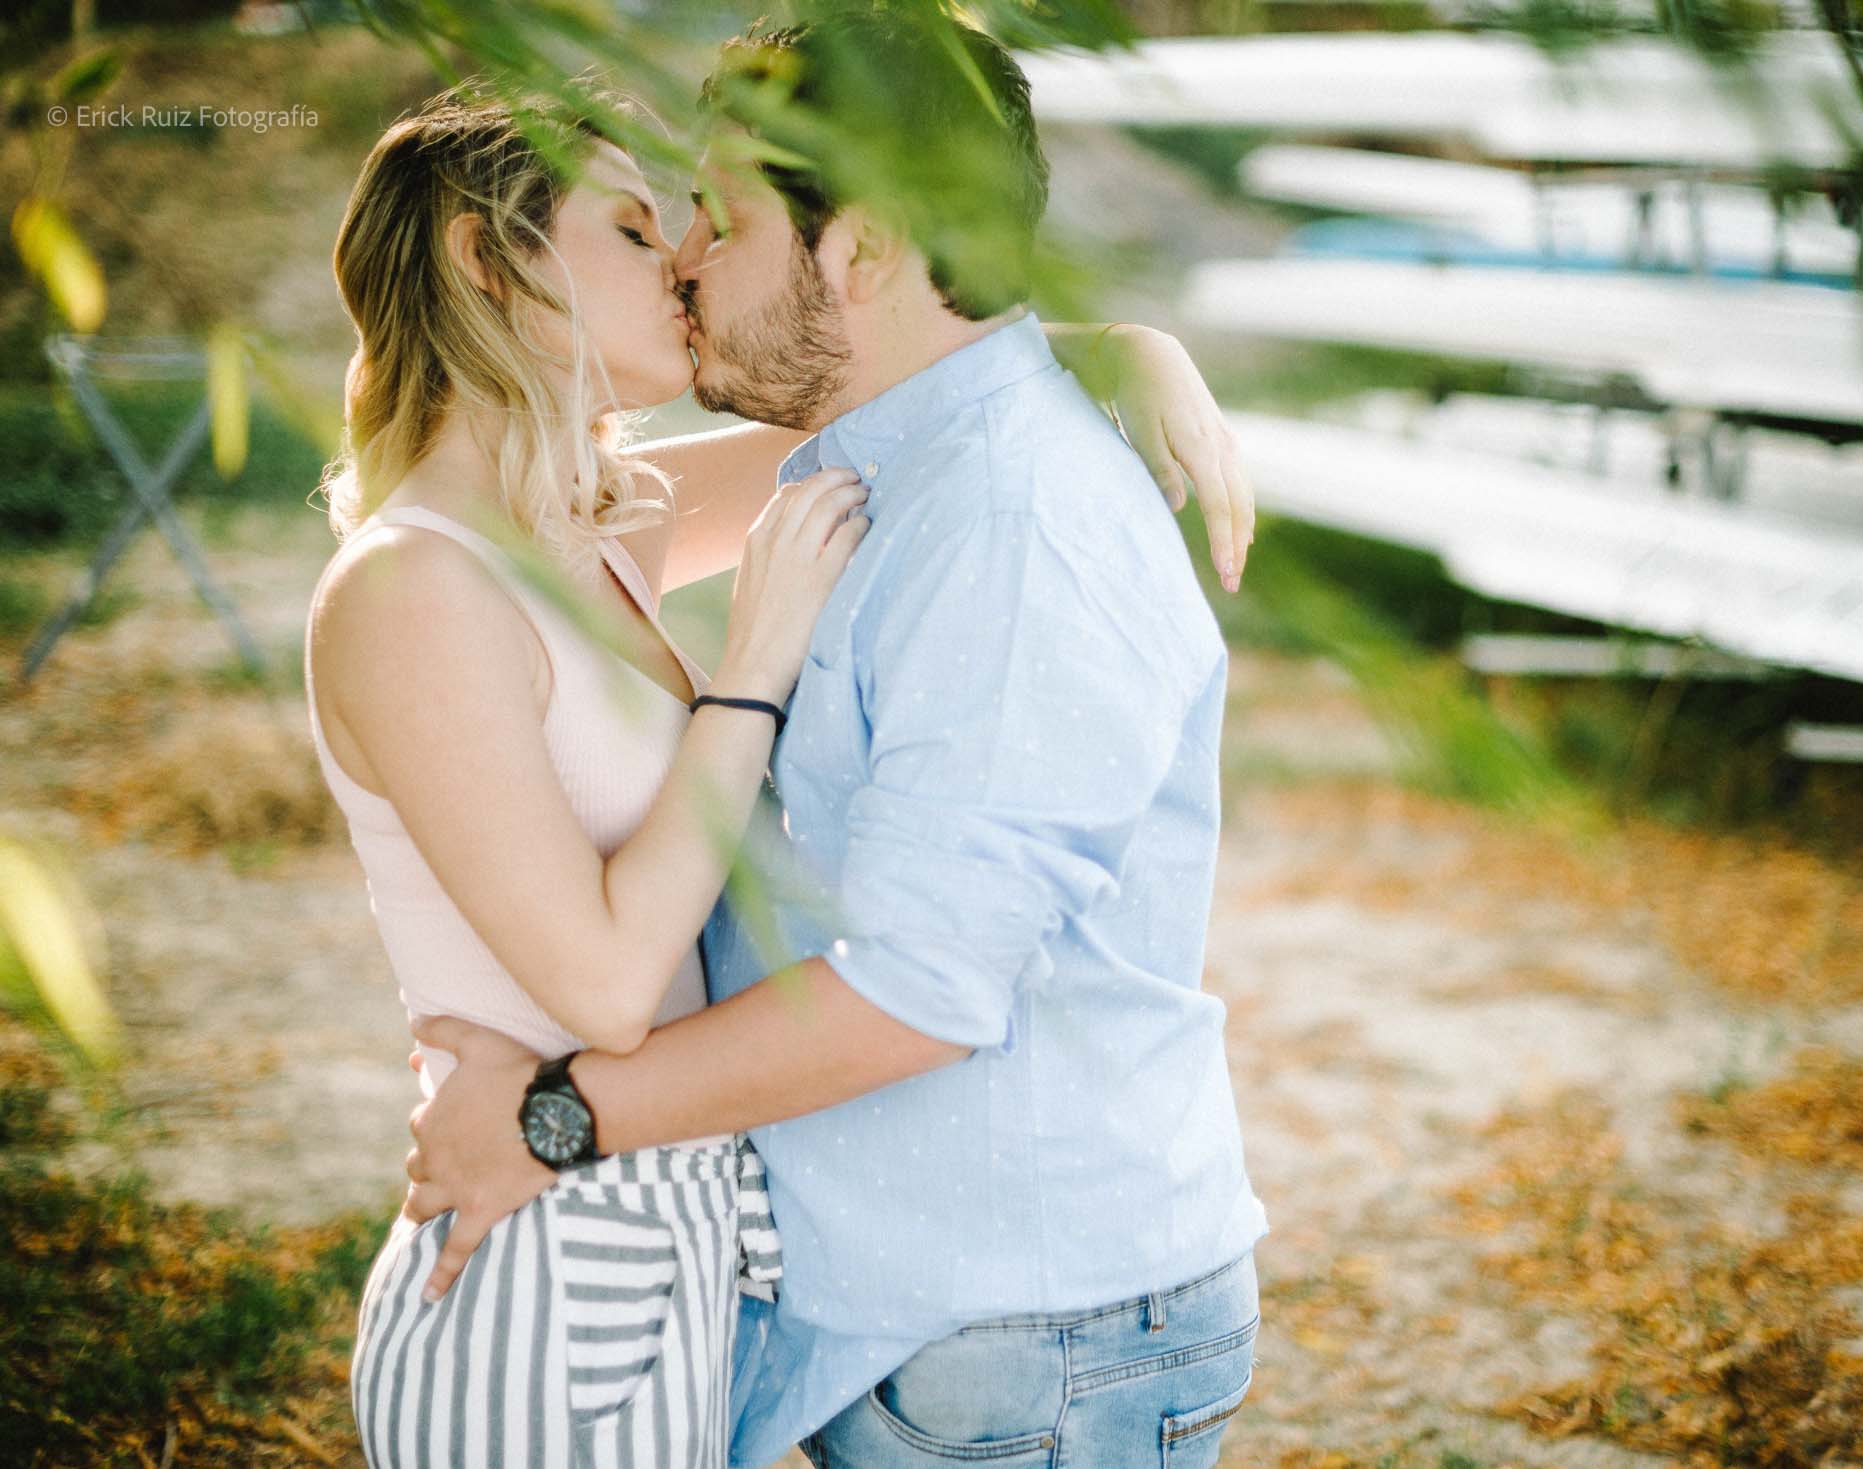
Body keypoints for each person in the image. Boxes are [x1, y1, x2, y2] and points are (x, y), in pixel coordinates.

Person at [305, 72, 1254, 1469]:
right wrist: (747, 674)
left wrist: (1122, 348)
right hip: (532, 1239)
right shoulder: (414, 588)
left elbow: (919, 392)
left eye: (697, 223)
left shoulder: (585, 530)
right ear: (487, 259)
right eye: (635, 230)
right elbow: (605, 985)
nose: (680, 260)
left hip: (655, 1222)